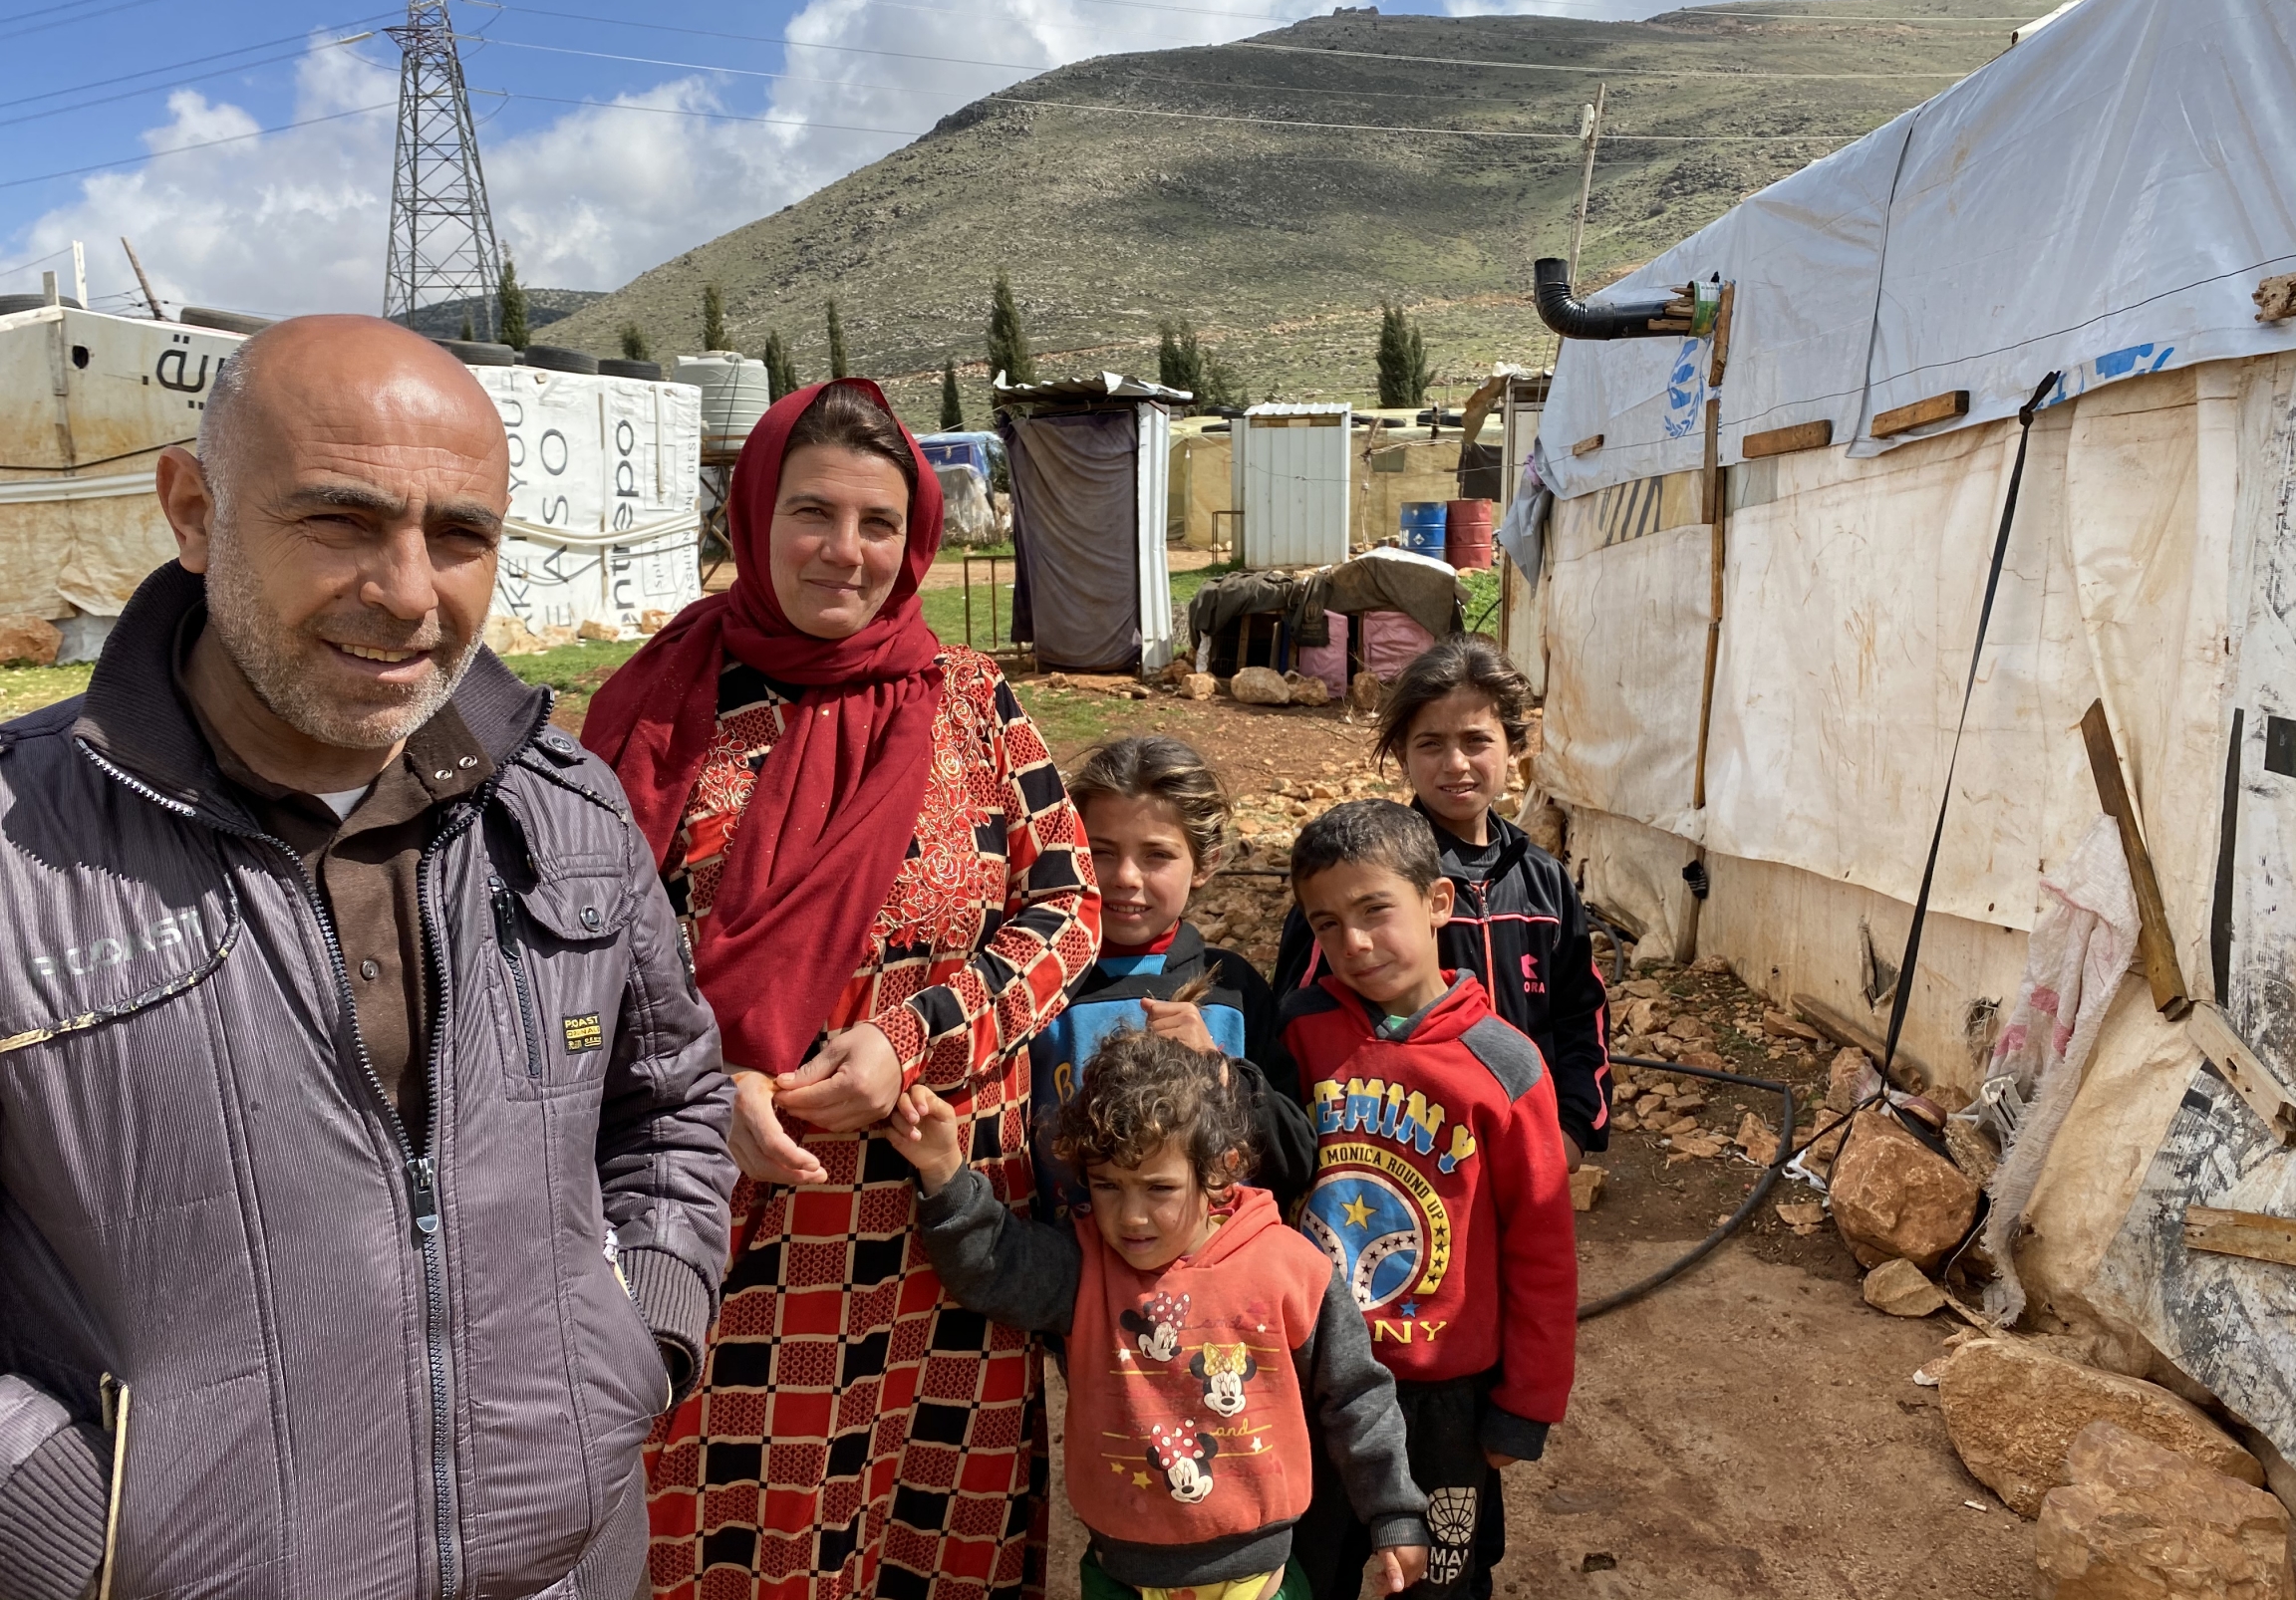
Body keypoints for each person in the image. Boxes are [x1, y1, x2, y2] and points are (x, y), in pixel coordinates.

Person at [0, 316, 735, 1600]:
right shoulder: (21, 855)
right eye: (339, 521)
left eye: (459, 535)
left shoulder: (565, 813)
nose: (406, 591)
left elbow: (669, 1105)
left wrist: (639, 1341)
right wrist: (66, 1526)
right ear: (191, 508)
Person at [581, 378, 1100, 1600]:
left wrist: (911, 1041)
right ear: (751, 521)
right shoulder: (659, 716)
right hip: (729, 1215)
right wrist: (712, 1087)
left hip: (946, 1215)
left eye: (878, 523)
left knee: (936, 1527)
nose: (846, 551)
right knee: (726, 1525)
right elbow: (583, 951)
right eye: (812, 512)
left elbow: (1067, 906)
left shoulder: (971, 699)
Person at [887, 1028, 1431, 1600]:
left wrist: (1393, 1511)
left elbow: (1356, 1397)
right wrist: (943, 1169)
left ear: (1219, 1171)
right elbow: (991, 1266)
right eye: (1108, 1186)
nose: (1131, 1216)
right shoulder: (1082, 1268)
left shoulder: (1291, 1269)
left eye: (1159, 1187)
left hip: (1258, 1578)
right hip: (1118, 1575)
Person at [1270, 799, 1578, 1600]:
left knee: (1444, 1577)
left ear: (1438, 902)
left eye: (1376, 910)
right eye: (1327, 923)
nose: (1355, 943)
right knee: (1311, 1563)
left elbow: (1541, 1244)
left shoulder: (1504, 1064)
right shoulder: (1299, 1035)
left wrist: (1527, 1403)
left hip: (1444, 1392)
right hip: (1318, 1379)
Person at [1273, 638, 1611, 1171]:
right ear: (1403, 754)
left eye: (1476, 740)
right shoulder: (1368, 879)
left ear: (1513, 746)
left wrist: (1568, 1132)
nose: (1455, 764)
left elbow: (1581, 1014)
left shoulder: (1542, 880)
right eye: (1431, 743)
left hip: (1524, 1148)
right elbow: (1298, 1026)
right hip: (1406, 1154)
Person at [1035, 735, 1315, 1216]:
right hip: (1071, 1272)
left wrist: (1223, 1072)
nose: (1125, 876)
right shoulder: (1042, 985)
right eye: (1101, 851)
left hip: (1219, 1275)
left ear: (1205, 863)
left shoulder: (1234, 990)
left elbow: (1297, 1161)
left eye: (1156, 855)